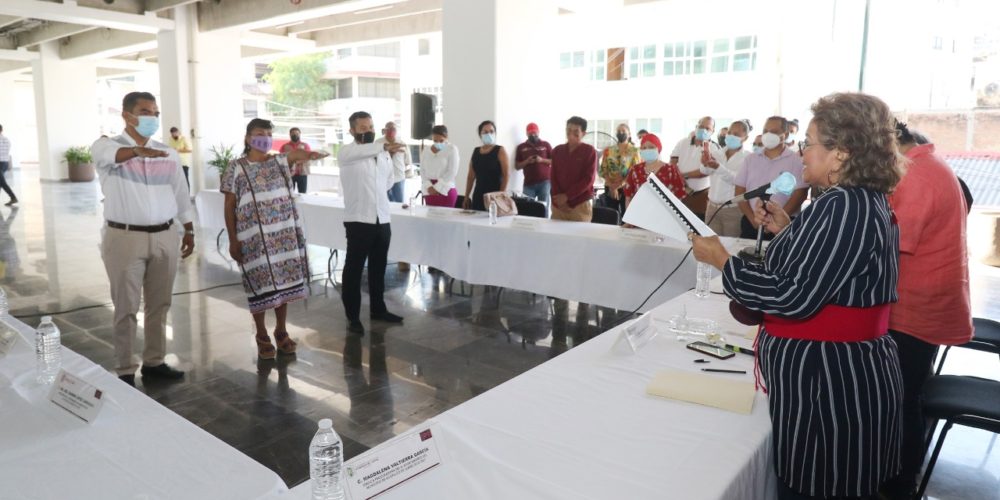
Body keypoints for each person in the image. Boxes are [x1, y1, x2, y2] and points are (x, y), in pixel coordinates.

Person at [692, 92, 905, 500]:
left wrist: (723, 261)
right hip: (832, 375)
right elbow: (831, 271)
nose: (802, 152)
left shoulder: (846, 206)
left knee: (819, 488)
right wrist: (789, 230)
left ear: (841, 154)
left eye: (810, 142)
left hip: (830, 386)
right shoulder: (849, 201)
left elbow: (795, 295)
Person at [879, 120, 973, 500]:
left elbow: (892, 242)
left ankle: (898, 482)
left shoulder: (916, 175)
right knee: (906, 395)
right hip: (922, 301)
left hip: (917, 307)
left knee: (902, 399)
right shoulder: (926, 163)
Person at [91, 91, 194, 386]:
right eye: (146, 111)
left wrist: (188, 227)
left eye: (156, 112)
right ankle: (125, 368)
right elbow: (111, 156)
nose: (153, 118)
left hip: (165, 236)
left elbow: (180, 193)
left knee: (159, 304)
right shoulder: (107, 146)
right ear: (127, 115)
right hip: (124, 238)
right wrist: (137, 152)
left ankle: (154, 361)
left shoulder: (168, 153)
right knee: (125, 306)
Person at [222, 119, 327, 359]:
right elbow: (229, 205)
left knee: (283, 284)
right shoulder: (236, 167)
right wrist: (233, 239)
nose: (265, 138)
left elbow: (298, 154)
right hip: (253, 239)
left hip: (284, 235)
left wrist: (310, 155)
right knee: (259, 285)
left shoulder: (279, 161)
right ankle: (261, 333)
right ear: (248, 138)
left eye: (269, 134)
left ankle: (281, 329)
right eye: (260, 133)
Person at [337, 111, 406, 335]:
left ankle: (378, 309)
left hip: (382, 218)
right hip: (359, 219)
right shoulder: (347, 152)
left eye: (370, 127)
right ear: (352, 131)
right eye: (363, 128)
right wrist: (384, 148)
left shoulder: (382, 153)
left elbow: (389, 182)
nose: (368, 131)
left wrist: (390, 154)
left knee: (379, 267)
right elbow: (365, 151)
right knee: (354, 270)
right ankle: (352, 317)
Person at [733, 116, 808, 239]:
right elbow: (739, 192)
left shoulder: (796, 161)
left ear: (786, 134)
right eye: (765, 131)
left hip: (783, 225)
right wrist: (754, 220)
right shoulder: (750, 159)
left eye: (773, 132)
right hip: (752, 223)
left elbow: (800, 194)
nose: (768, 135)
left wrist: (777, 218)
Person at [701, 119, 752, 236]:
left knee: (730, 248)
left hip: (733, 210)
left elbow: (737, 180)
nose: (731, 136)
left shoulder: (748, 158)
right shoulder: (717, 153)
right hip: (712, 208)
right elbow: (704, 171)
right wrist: (704, 163)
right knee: (710, 244)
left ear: (745, 138)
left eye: (736, 134)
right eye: (729, 133)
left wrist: (718, 167)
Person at [622, 133, 685, 213]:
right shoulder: (635, 170)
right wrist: (629, 219)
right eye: (644, 148)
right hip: (639, 216)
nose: (647, 150)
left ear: (658, 148)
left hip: (665, 216)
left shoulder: (670, 170)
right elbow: (628, 197)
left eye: (651, 147)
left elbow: (679, 197)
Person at [670, 116, 719, 220]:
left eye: (708, 128)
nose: (703, 130)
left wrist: (683, 176)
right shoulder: (682, 142)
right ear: (696, 126)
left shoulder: (714, 147)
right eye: (701, 126)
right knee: (679, 221)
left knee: (698, 226)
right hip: (680, 192)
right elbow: (673, 162)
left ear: (713, 131)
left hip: (702, 195)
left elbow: (705, 171)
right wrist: (679, 178)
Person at [550, 116, 597, 222]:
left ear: (583, 133)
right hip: (558, 206)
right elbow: (553, 177)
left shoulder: (589, 151)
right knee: (556, 237)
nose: (571, 134)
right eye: (569, 130)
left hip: (580, 205)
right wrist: (559, 200)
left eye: (576, 131)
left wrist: (567, 196)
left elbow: (589, 179)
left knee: (579, 238)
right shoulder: (557, 150)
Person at [463, 121, 509, 211]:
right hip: (478, 196)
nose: (489, 134)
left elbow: (506, 175)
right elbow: (470, 177)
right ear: (480, 135)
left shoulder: (500, 150)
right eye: (485, 132)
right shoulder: (476, 151)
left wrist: (499, 196)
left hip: (494, 197)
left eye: (491, 131)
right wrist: (466, 196)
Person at [599, 123, 641, 218]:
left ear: (629, 134)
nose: (620, 133)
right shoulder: (608, 150)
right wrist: (612, 187)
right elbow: (603, 170)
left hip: (627, 188)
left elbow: (635, 171)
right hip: (610, 187)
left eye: (623, 131)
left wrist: (618, 186)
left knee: (627, 217)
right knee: (610, 216)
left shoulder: (635, 151)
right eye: (618, 131)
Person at [514, 122, 553, 215]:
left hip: (544, 182)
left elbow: (554, 161)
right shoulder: (521, 147)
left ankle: (544, 227)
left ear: (538, 132)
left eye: (535, 132)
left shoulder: (545, 144)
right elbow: (517, 166)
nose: (533, 135)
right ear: (526, 133)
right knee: (526, 208)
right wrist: (527, 161)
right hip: (528, 184)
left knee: (544, 207)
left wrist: (541, 160)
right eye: (530, 133)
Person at [420, 125, 460, 208]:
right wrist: (429, 186)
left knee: (446, 219)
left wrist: (437, 188)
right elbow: (422, 170)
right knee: (430, 219)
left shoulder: (452, 149)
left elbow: (452, 172)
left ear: (447, 137)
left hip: (446, 189)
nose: (438, 143)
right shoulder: (426, 150)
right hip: (429, 190)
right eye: (435, 140)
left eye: (441, 140)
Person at [375, 122, 412, 203]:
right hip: (383, 179)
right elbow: (375, 161)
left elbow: (407, 162)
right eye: (388, 129)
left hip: (399, 178)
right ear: (384, 130)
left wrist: (407, 174)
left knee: (399, 203)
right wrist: (390, 153)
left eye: (393, 129)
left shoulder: (402, 143)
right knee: (384, 203)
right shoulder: (378, 143)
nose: (391, 131)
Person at [279, 127, 312, 194]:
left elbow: (309, 157)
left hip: (302, 173)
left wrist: (298, 162)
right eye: (293, 133)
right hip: (289, 173)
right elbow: (280, 158)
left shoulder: (305, 145)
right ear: (290, 134)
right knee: (289, 193)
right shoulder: (285, 146)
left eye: (297, 133)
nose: (295, 135)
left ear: (300, 134)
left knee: (302, 193)